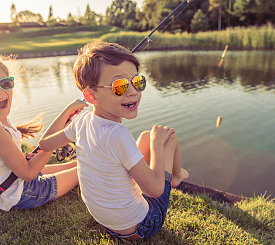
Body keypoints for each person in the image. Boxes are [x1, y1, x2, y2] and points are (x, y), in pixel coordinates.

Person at [39, 41, 189, 240]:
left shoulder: (81, 121)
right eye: (120, 86)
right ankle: (177, 176)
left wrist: (67, 112)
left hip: (106, 221)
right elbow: (154, 191)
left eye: (137, 81)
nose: (133, 91)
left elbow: (44, 144)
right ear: (91, 96)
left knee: (144, 136)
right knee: (168, 137)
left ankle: (174, 174)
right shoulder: (117, 135)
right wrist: (156, 144)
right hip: (140, 226)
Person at [0, 50, 87, 211]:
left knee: (79, 164)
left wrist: (66, 112)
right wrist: (53, 144)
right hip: (19, 194)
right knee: (87, 169)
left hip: (12, 184)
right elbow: (29, 173)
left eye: (4, 83)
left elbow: (39, 149)